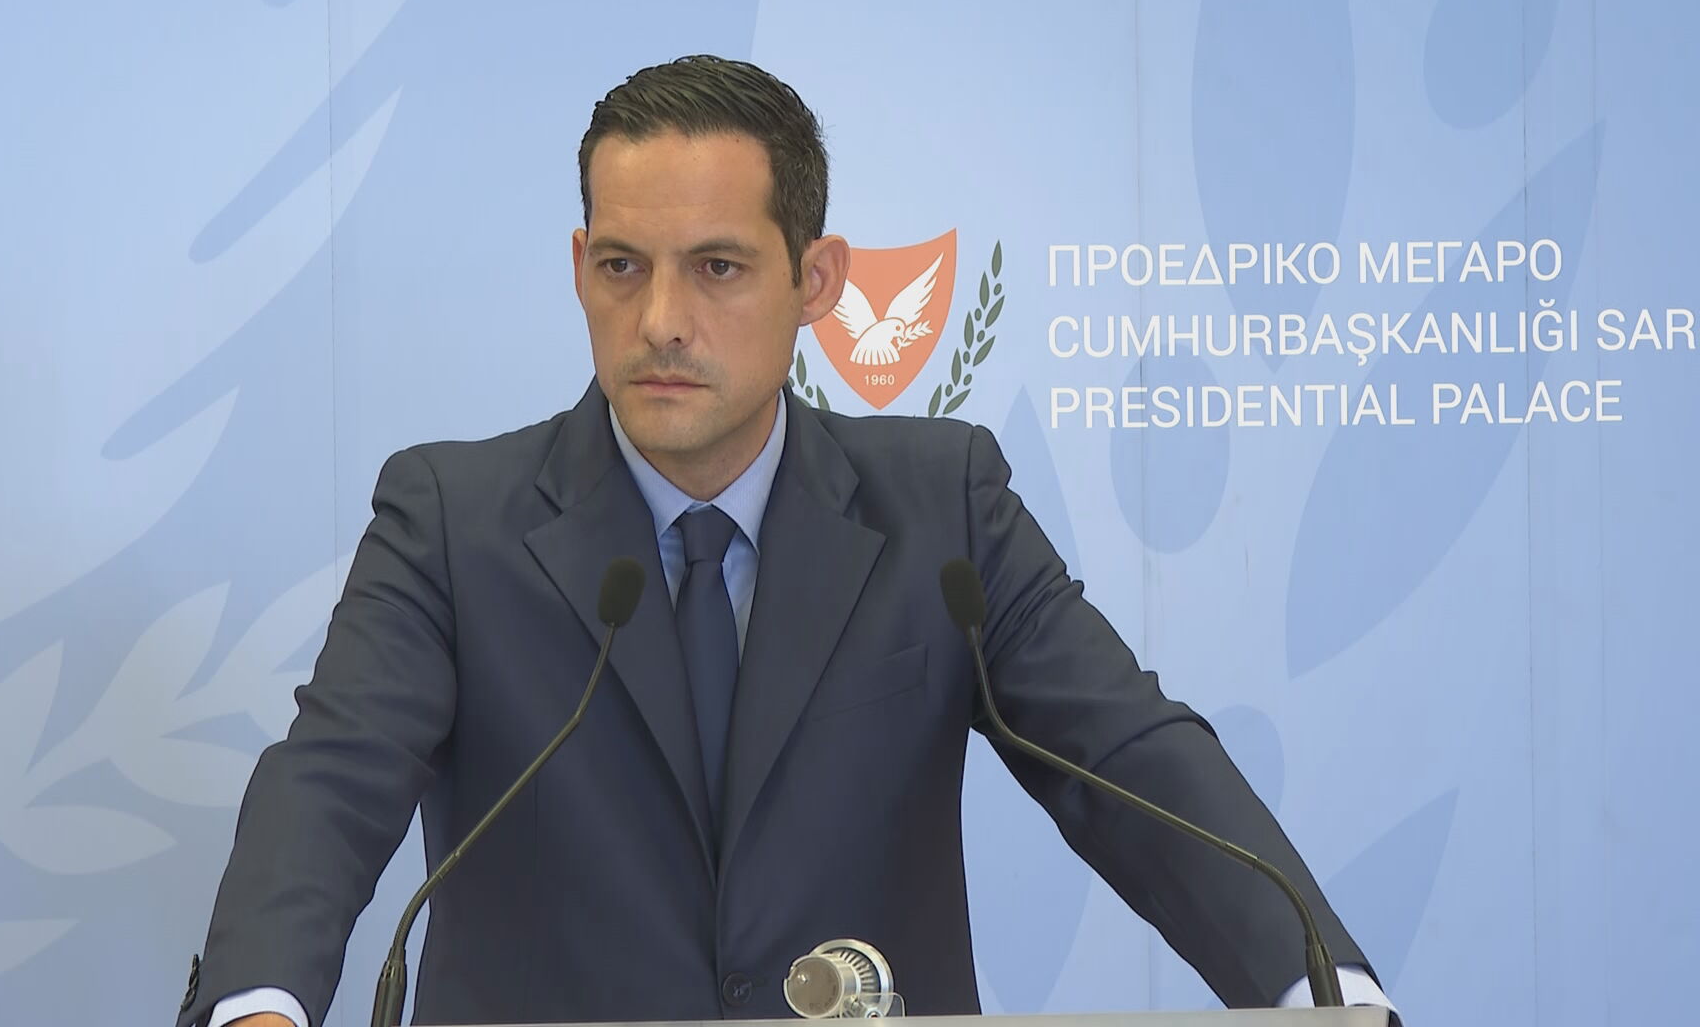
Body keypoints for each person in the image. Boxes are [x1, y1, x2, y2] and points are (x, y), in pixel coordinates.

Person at [178, 55, 1398, 1027]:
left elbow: (1125, 759)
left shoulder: (944, 509)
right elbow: (331, 778)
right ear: (580, 268)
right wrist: (259, 1005)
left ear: (817, 280)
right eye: (623, 266)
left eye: (717, 267)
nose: (662, 320)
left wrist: (1324, 996)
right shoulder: (452, 519)